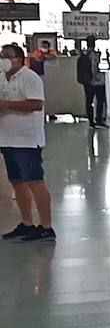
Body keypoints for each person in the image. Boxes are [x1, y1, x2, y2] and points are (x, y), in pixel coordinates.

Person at [0, 43, 54, 242]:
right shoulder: (2, 79)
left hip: (27, 141)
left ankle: (46, 226)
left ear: (19, 59)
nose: (3, 59)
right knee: (17, 182)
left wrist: (6, 105)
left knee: (34, 181)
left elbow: (36, 104)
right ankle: (26, 222)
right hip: (7, 139)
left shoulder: (29, 77)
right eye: (1, 55)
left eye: (8, 55)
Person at [75, 44, 107, 128]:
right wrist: (95, 77)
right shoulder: (95, 54)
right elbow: (94, 67)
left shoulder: (83, 55)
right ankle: (99, 120)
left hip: (87, 81)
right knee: (100, 100)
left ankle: (91, 122)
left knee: (89, 101)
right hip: (95, 81)